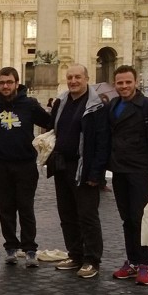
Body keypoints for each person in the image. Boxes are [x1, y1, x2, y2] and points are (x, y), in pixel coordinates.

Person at [0, 67, 52, 266]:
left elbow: (48, 122)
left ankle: (30, 248)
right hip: (1, 165)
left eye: (9, 82)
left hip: (25, 164)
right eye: (2, 83)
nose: (5, 86)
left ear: (17, 83)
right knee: (5, 209)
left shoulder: (29, 104)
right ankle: (10, 247)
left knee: (26, 208)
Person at [48, 64, 109, 279]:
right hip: (62, 165)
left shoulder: (96, 106)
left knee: (87, 215)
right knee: (67, 214)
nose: (73, 81)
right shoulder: (62, 102)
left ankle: (92, 259)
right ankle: (75, 254)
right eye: (70, 77)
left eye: (77, 77)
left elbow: (102, 142)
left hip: (84, 167)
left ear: (87, 79)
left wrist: (96, 174)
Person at [107, 65, 148, 286]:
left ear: (136, 82)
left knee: (140, 218)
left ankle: (144, 264)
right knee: (126, 219)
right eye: (120, 82)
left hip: (140, 168)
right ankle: (131, 261)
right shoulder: (113, 105)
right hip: (119, 168)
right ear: (115, 84)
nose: (124, 86)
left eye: (127, 82)